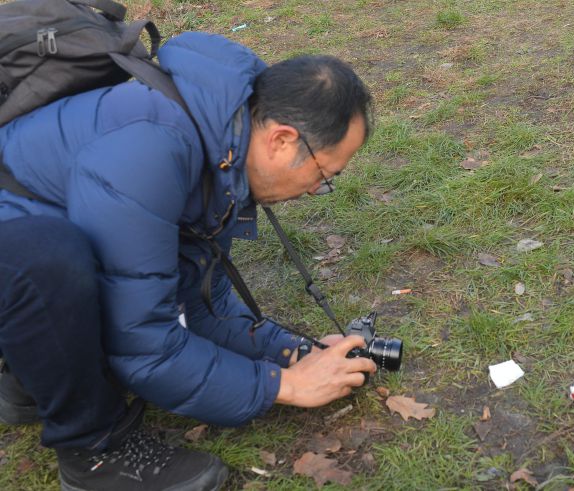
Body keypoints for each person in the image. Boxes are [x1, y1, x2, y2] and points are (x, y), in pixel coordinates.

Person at [0, 31, 376, 491]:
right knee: (44, 258)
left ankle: (32, 376)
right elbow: (143, 343)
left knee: (58, 259)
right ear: (282, 139)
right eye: (324, 174)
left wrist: (293, 352)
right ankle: (94, 451)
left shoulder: (222, 141)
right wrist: (287, 386)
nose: (317, 189)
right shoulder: (151, 152)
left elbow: (200, 307)